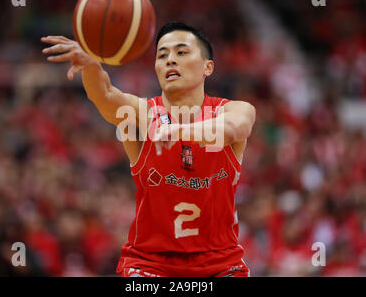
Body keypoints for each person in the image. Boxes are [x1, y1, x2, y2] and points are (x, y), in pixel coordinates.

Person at [41, 22, 256, 277]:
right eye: (162, 55)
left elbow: (231, 129)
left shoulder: (234, 109)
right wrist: (91, 66)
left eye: (181, 52)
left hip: (220, 264)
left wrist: (176, 131)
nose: (170, 60)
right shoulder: (144, 113)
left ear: (208, 67)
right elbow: (107, 96)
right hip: (150, 264)